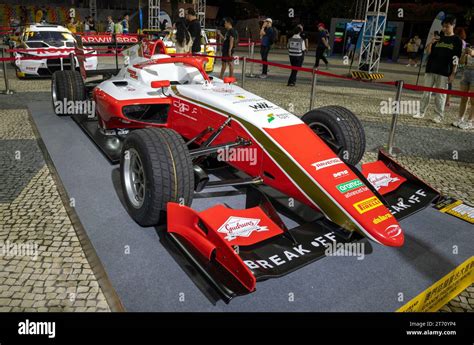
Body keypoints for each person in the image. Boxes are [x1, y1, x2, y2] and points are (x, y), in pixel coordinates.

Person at [413, 15, 463, 124]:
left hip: (445, 71)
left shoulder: (457, 40)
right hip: (431, 68)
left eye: (447, 26)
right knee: (426, 93)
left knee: (440, 95)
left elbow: (456, 58)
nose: (444, 29)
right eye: (443, 27)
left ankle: (438, 115)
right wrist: (431, 42)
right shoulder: (439, 38)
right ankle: (421, 112)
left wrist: (453, 73)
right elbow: (428, 52)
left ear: (453, 26)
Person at [452, 44, 473, 130]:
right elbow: (461, 62)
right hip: (466, 73)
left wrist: (472, 53)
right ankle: (460, 119)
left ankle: (470, 122)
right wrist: (464, 53)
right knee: (463, 98)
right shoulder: (470, 48)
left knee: (473, 100)